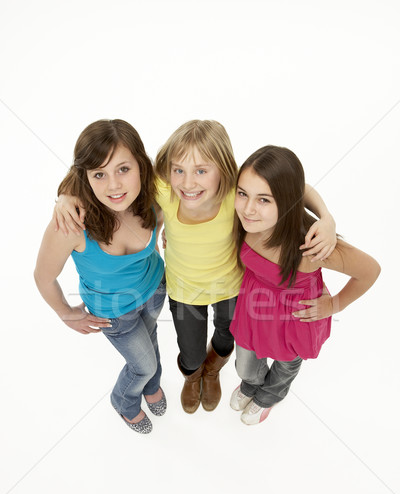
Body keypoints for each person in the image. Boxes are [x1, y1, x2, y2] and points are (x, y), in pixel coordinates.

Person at [53, 120, 337, 414]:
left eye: (201, 170)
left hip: (231, 287)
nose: (188, 183)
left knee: (226, 338)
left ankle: (213, 369)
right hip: (184, 290)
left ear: (224, 171)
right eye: (179, 170)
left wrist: (325, 216)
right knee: (190, 352)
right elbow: (106, 177)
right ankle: (194, 374)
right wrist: (66, 194)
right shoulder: (165, 190)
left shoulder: (234, 193)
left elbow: (292, 186)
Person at [229, 145, 380, 426]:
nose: (248, 209)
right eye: (243, 194)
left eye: (264, 200)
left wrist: (335, 304)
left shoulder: (311, 245)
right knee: (246, 364)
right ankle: (251, 384)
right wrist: (327, 214)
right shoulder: (244, 221)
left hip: (293, 318)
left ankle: (270, 395)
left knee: (286, 362)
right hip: (254, 307)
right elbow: (304, 186)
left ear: (287, 201)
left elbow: (371, 270)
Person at [34, 119, 166, 434]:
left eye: (123, 169)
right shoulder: (71, 224)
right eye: (99, 174)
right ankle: (124, 403)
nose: (114, 186)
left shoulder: (156, 201)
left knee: (152, 341)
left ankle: (152, 385)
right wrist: (66, 314)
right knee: (142, 364)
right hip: (114, 313)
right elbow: (43, 276)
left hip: (155, 289)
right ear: (86, 177)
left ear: (141, 166)